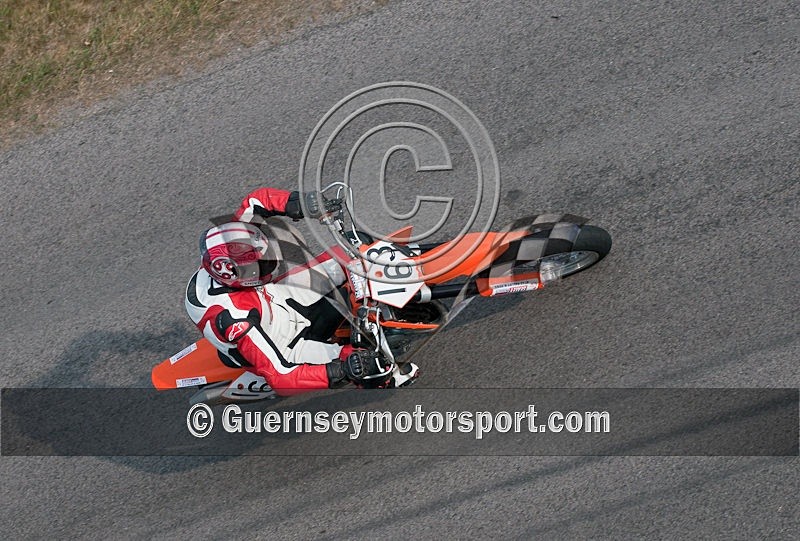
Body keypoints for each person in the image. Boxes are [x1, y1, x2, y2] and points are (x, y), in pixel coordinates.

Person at [185, 187, 390, 395]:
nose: (269, 263)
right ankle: (393, 374)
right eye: (261, 265)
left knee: (353, 250)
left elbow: (256, 201)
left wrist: (301, 203)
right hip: (288, 345)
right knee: (368, 362)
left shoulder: (230, 250)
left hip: (278, 297)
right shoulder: (235, 320)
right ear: (236, 275)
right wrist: (343, 370)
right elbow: (280, 377)